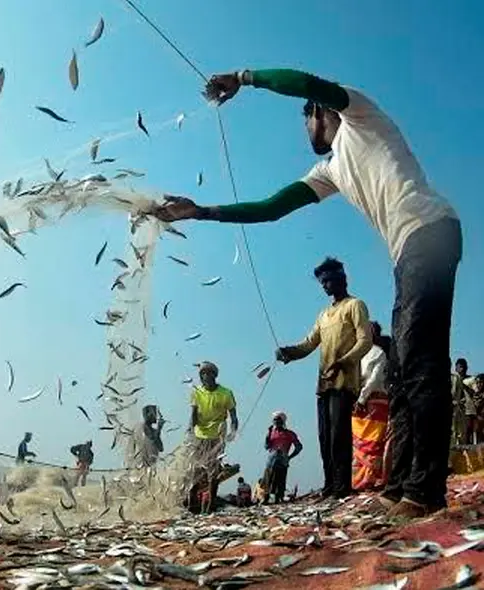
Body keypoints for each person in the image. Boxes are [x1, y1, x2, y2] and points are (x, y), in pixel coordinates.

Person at [143, 68, 462, 518]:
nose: (304, 129)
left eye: (305, 119)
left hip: (429, 231)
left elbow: (309, 84)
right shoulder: (329, 171)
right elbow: (271, 208)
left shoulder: (360, 115)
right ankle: (399, 485)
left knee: (421, 364)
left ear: (318, 112)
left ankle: (425, 491)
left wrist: (244, 78)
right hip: (407, 250)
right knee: (405, 370)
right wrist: (200, 212)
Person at [275, 257, 372, 499]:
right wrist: (289, 352)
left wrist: (344, 361)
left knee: (340, 435)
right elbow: (309, 344)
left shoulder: (355, 305)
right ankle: (330, 485)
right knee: (324, 436)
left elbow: (365, 340)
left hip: (344, 380)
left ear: (342, 279)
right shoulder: (324, 315)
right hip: (324, 382)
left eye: (329, 280)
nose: (326, 286)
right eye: (322, 283)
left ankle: (342, 487)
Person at [188, 361, 238, 507]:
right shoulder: (196, 392)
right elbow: (193, 415)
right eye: (203, 373)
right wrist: (190, 431)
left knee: (213, 471)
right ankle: (192, 503)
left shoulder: (226, 393)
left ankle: (211, 503)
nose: (205, 376)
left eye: (209, 373)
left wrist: (233, 431)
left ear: (215, 375)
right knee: (195, 470)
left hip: (217, 436)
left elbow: (233, 416)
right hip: (199, 435)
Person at [353, 322, 391, 492]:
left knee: (374, 442)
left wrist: (361, 399)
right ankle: (360, 479)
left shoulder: (379, 353)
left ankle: (374, 478)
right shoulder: (358, 354)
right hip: (359, 404)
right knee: (359, 443)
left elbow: (374, 380)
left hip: (375, 402)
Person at [264, 412, 303, 504]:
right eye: (275, 420)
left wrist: (290, 457)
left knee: (280, 480)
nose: (276, 422)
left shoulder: (289, 434)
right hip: (271, 460)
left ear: (283, 421)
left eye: (278, 420)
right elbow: (266, 446)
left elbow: (299, 447)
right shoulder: (271, 433)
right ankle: (266, 498)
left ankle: (278, 498)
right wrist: (268, 434)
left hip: (282, 460)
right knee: (268, 480)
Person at [453, 359, 473, 445]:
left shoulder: (470, 380)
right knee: (454, 432)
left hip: (466, 410)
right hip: (454, 409)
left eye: (462, 367)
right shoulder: (452, 379)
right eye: (459, 367)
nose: (461, 369)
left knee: (465, 433)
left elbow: (473, 393)